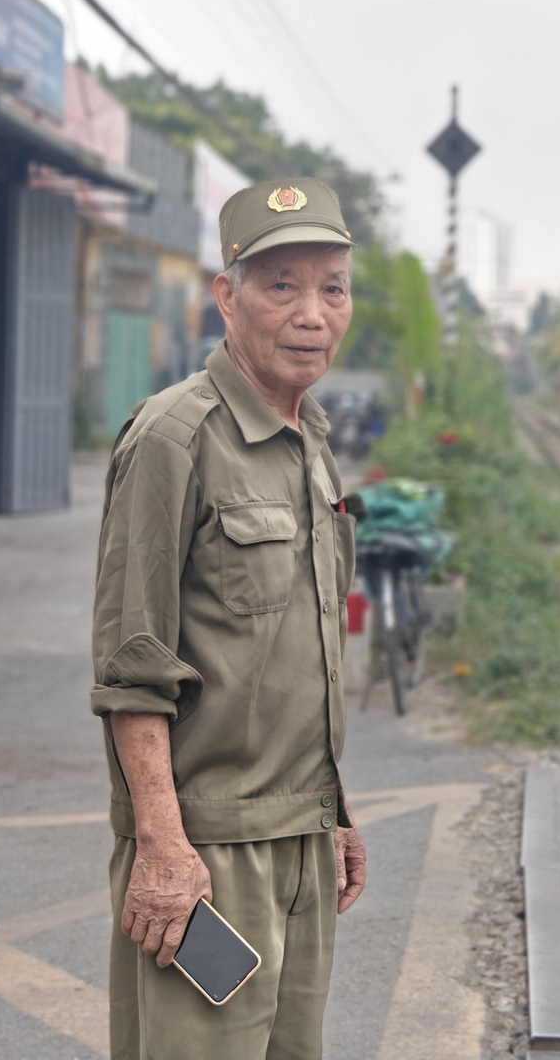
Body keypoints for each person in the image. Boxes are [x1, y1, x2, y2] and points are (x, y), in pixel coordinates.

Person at [91, 178, 368, 1060]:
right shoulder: (175, 438)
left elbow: (304, 654)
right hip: (206, 854)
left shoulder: (311, 443)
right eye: (281, 284)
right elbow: (133, 667)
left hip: (301, 843)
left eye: (332, 287)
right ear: (228, 295)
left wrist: (338, 814)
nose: (311, 314)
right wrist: (164, 849)